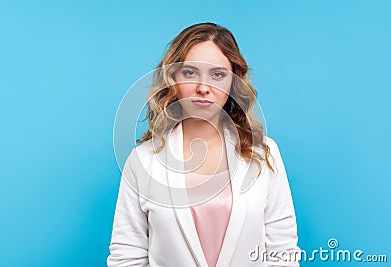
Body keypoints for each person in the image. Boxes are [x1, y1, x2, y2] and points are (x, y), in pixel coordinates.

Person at [107, 22, 300, 267]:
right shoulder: (143, 160)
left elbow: (282, 252)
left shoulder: (264, 153)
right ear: (172, 78)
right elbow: (127, 256)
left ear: (234, 82)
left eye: (217, 75)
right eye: (190, 73)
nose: (203, 88)